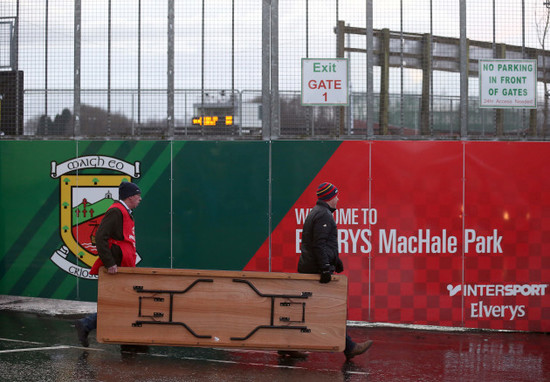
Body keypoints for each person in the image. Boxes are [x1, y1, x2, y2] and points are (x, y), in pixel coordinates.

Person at [298, 182, 373, 362]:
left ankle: (291, 346)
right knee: (332, 309)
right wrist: (325, 268)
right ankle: (349, 347)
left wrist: (335, 261)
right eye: (336, 195)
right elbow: (319, 245)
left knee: (309, 310)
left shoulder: (318, 212)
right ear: (330, 197)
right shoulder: (324, 215)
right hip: (316, 272)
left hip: (311, 268)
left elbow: (322, 244)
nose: (338, 199)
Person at [75, 181, 142, 348]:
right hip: (117, 265)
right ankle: (87, 324)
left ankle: (125, 339)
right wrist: (110, 263)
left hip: (123, 264)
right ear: (131, 197)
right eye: (138, 196)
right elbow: (100, 237)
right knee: (123, 301)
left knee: (124, 301)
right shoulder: (116, 211)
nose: (140, 199)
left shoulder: (124, 212)